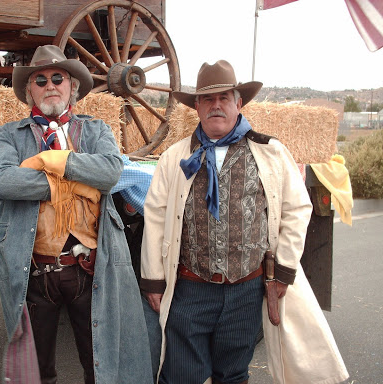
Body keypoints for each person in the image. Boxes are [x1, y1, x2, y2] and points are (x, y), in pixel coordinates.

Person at [140, 60, 349, 384]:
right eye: (208, 99)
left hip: (246, 292)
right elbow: (154, 214)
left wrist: (283, 271)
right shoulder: (175, 157)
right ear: (196, 106)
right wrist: (153, 279)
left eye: (224, 98)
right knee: (181, 376)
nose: (216, 105)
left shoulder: (271, 153)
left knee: (233, 375)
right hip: (190, 289)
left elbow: (297, 208)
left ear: (239, 103)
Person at [0, 45, 152, 384]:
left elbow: (109, 173)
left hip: (90, 271)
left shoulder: (96, 131)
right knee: (37, 372)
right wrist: (72, 184)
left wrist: (59, 161)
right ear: (30, 89)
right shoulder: (8, 134)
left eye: (58, 77)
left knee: (100, 366)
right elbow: (1, 180)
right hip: (34, 272)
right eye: (41, 79)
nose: (50, 85)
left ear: (72, 86)